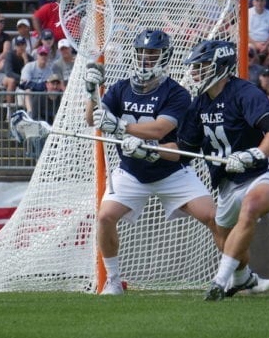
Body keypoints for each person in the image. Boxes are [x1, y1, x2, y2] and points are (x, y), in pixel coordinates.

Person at [85, 30, 218, 295]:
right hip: (132, 171)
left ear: (164, 56)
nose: (146, 59)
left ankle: (236, 273)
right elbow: (91, 119)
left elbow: (159, 130)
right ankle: (113, 281)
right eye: (142, 53)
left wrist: (121, 127)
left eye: (152, 54)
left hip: (171, 170)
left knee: (213, 216)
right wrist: (91, 91)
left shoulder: (177, 93)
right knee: (105, 217)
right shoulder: (120, 88)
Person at [177, 40, 269, 300]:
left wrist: (254, 154)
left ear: (220, 67)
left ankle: (219, 281)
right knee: (223, 233)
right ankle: (243, 279)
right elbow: (183, 150)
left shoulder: (245, 94)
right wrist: (145, 147)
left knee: (250, 206)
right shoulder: (199, 104)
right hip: (228, 182)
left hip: (265, 172)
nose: (196, 72)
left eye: (203, 66)